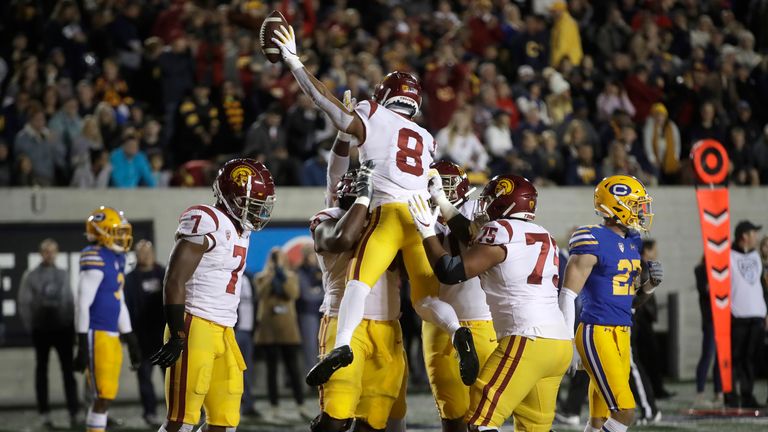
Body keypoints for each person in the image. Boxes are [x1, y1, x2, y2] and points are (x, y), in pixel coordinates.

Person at [270, 24, 478, 388]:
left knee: (358, 284)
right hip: (420, 219)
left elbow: (326, 104)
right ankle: (458, 331)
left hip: (388, 214)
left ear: (383, 96)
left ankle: (343, 345)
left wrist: (294, 61)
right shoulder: (427, 137)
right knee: (425, 300)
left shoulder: (373, 114)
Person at [410, 174, 572, 431]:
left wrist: (427, 230)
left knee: (479, 423)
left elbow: (450, 271)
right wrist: (442, 200)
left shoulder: (500, 231)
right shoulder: (545, 235)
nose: (484, 205)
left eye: (490, 199)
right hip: (559, 343)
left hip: (527, 338)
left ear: (504, 201)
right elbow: (472, 236)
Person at [149, 159, 275, 432]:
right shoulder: (207, 219)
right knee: (181, 421)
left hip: (225, 330)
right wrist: (177, 333)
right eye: (249, 203)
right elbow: (174, 279)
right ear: (230, 197)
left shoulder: (243, 230)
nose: (256, 211)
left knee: (225, 421)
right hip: (195, 324)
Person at [558, 175, 664, 432]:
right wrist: (567, 342)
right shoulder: (591, 237)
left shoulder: (633, 241)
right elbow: (568, 294)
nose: (641, 210)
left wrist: (648, 287)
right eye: (636, 204)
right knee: (625, 411)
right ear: (618, 206)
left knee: (599, 418)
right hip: (597, 331)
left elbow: (631, 302)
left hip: (622, 331)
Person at [309, 163, 407, 431]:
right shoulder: (326, 219)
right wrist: (364, 199)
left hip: (387, 325)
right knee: (335, 418)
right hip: (343, 321)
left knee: (374, 422)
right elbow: (343, 237)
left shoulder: (386, 221)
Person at [423, 161, 497, 432]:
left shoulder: (477, 208)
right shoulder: (419, 210)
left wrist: (441, 202)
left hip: (480, 320)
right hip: (437, 321)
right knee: (451, 414)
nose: (438, 189)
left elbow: (474, 235)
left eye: (445, 185)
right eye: (435, 184)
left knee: (482, 416)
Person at [74, 207, 142, 432]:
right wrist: (82, 342)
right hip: (97, 332)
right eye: (117, 232)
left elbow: (118, 298)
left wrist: (130, 336)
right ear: (101, 233)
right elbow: (82, 303)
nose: (122, 237)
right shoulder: (95, 256)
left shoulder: (117, 257)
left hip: (112, 333)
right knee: (101, 395)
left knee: (108, 395)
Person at [18, 238, 80, 427]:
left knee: (68, 372)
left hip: (63, 330)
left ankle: (74, 412)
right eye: (46, 251)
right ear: (41, 253)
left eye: (53, 251)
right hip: (42, 330)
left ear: (57, 253)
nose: (49, 254)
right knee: (41, 371)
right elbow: (24, 303)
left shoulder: (63, 274)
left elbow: (70, 301)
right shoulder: (31, 276)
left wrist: (72, 326)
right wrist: (32, 327)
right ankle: (44, 413)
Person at [254, 248, 312, 422]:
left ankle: (300, 406)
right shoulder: (261, 277)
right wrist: (272, 275)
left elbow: (292, 294)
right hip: (268, 329)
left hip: (288, 329)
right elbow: (261, 294)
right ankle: (274, 408)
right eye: (274, 258)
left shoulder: (291, 276)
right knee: (272, 370)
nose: (276, 261)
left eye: (279, 258)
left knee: (293, 369)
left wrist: (282, 275)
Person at [124, 240, 166, 427]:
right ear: (136, 256)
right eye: (141, 252)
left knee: (172, 379)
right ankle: (149, 412)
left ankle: (176, 412)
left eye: (148, 252)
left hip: (163, 337)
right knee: (144, 379)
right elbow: (126, 308)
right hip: (142, 339)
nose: (146, 255)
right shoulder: (130, 279)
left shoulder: (163, 273)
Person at [728, 221, 766, 408]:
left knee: (751, 359)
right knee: (736, 358)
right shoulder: (729, 256)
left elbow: (760, 285)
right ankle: (732, 396)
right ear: (744, 235)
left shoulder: (756, 257)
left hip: (757, 314)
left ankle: (748, 395)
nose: (756, 237)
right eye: (754, 233)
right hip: (738, 314)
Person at [693, 256, 722, 408]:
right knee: (708, 354)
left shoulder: (723, 270)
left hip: (722, 318)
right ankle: (700, 392)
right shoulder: (700, 270)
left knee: (720, 357)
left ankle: (719, 393)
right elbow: (706, 289)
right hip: (710, 319)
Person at [295, 246, 324, 378]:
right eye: (313, 255)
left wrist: (316, 291)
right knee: (310, 347)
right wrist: (318, 291)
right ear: (307, 256)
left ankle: (324, 377)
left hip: (322, 312)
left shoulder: (319, 271)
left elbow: (326, 291)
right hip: (307, 313)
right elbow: (306, 294)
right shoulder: (300, 272)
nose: (315, 258)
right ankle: (312, 378)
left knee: (323, 345)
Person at [235, 275, 259, 418]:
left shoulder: (248, 278)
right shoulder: (229, 276)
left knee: (246, 370)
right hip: (236, 330)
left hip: (248, 331)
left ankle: (248, 405)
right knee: (235, 370)